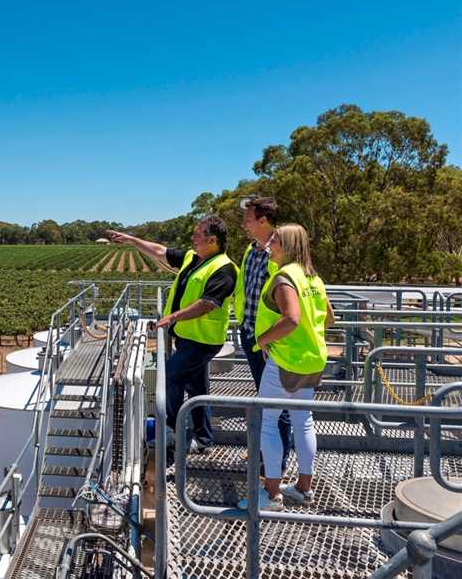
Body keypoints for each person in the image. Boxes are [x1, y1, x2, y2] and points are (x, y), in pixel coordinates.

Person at [108, 216, 237, 453]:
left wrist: (173, 317)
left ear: (212, 240)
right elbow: (159, 251)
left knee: (171, 378)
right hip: (188, 337)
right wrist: (131, 240)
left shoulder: (225, 269)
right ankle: (204, 440)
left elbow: (208, 303)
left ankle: (168, 431)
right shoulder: (193, 257)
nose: (193, 237)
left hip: (203, 340)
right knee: (197, 389)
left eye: (198, 234)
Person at [237, 223, 335, 511]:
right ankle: (304, 488)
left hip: (285, 361)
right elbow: (329, 318)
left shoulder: (284, 277)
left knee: (268, 423)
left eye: (276, 241)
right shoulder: (312, 277)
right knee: (303, 421)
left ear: (289, 246)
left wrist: (263, 340)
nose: (271, 245)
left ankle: (271, 494)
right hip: (313, 359)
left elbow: (291, 318)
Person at [236, 197, 291, 475]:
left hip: (272, 342)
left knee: (275, 405)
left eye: (248, 219)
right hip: (251, 335)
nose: (244, 224)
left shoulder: (282, 251)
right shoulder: (250, 250)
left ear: (263, 220)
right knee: (262, 397)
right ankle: (266, 454)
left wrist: (271, 338)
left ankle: (275, 467)